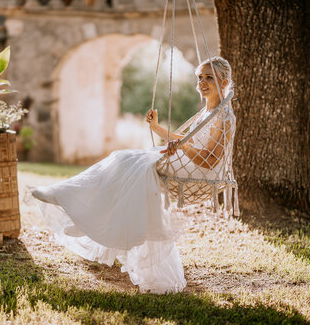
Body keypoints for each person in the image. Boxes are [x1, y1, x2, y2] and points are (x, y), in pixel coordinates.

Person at [29, 56, 236, 294]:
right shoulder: (207, 112)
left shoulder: (224, 117)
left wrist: (181, 148)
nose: (202, 82)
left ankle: (79, 208)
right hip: (187, 162)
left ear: (224, 81)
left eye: (209, 77)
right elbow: (187, 142)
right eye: (200, 77)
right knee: (123, 161)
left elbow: (210, 160)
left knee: (128, 162)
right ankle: (84, 212)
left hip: (201, 172)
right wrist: (158, 129)